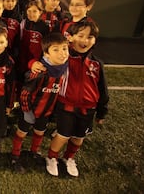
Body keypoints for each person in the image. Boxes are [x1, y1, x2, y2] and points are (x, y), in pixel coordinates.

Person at [44, 20, 109, 177]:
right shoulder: (64, 58)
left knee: (79, 136)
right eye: (81, 36)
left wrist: (102, 112)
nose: (85, 40)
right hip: (66, 106)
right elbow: (46, 67)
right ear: (70, 38)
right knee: (63, 134)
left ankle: (69, 158)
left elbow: (102, 89)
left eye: (90, 37)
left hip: (88, 109)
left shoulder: (97, 63)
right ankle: (51, 158)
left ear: (95, 40)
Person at [10, 32, 69, 173]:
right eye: (56, 49)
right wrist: (27, 111)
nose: (62, 53)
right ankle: (15, 155)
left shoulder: (64, 68)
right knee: (22, 132)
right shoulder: (39, 72)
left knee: (40, 132)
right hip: (30, 111)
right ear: (46, 54)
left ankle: (34, 152)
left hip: (46, 111)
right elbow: (25, 94)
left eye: (65, 49)